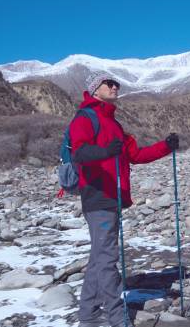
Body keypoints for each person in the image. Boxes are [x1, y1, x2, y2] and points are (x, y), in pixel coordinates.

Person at [69, 76, 179, 327]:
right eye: (109, 84)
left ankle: (87, 316)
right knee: (107, 260)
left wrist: (166, 146)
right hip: (97, 195)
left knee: (100, 257)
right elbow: (80, 152)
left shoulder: (113, 123)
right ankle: (118, 319)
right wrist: (106, 151)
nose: (115, 87)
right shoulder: (85, 118)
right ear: (95, 89)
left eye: (116, 84)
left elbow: (136, 155)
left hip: (113, 197)